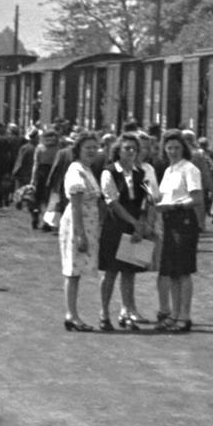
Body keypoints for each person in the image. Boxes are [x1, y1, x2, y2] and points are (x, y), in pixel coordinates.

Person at [97, 136, 159, 330]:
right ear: (118, 151)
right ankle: (104, 313)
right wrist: (134, 222)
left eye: (134, 149)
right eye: (127, 149)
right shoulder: (109, 172)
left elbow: (150, 198)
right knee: (111, 271)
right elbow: (112, 202)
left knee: (129, 271)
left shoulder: (141, 173)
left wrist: (146, 224)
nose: (131, 152)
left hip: (135, 226)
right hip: (115, 225)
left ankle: (127, 311)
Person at [154, 132, 207, 331]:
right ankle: (174, 314)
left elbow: (197, 199)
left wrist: (174, 207)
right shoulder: (169, 171)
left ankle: (185, 316)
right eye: (169, 148)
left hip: (184, 221)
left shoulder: (190, 169)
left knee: (183, 271)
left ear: (183, 148)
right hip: (169, 221)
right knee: (172, 271)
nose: (173, 151)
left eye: (177, 147)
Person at [57, 134, 104, 331]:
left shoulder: (88, 170)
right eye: (88, 148)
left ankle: (73, 314)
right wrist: (79, 234)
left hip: (89, 222)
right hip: (78, 223)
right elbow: (76, 206)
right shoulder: (75, 170)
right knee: (73, 270)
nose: (92, 151)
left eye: (95, 147)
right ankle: (71, 315)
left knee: (77, 270)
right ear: (78, 150)